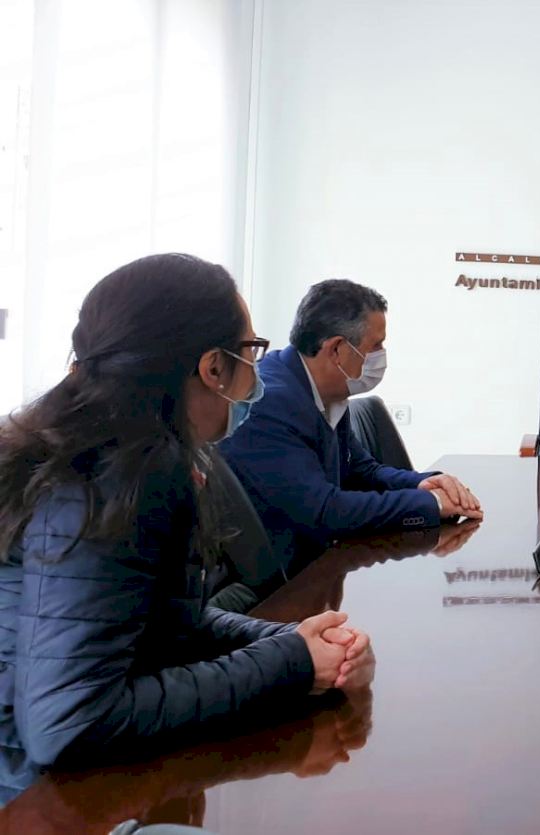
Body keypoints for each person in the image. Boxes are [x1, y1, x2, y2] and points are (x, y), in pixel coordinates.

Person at [0, 254, 373, 775]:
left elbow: (162, 622)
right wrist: (292, 664)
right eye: (251, 350)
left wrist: (290, 643)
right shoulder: (110, 479)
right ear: (213, 367)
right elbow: (72, 725)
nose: (257, 372)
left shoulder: (119, 451)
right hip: (38, 797)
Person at [219, 279, 482, 582]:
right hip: (280, 586)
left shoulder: (327, 390)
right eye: (376, 346)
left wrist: (425, 483)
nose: (382, 355)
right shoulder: (269, 401)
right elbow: (323, 512)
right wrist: (431, 504)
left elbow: (362, 471)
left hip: (323, 568)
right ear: (337, 350)